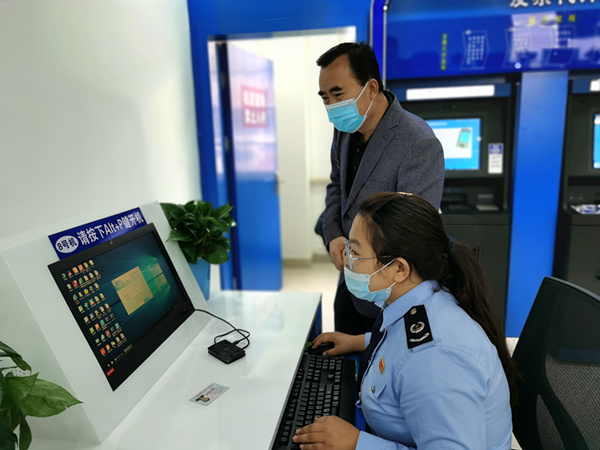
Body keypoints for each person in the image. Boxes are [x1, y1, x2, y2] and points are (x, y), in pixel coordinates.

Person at [295, 192, 518, 449]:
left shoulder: (436, 359)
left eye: (355, 252)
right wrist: (360, 341)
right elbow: (401, 343)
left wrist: (357, 443)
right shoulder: (421, 296)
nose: (346, 260)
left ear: (399, 269)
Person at [316, 42, 445, 335]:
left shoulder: (418, 142)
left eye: (338, 94)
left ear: (371, 88)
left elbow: (413, 232)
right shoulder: (345, 130)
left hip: (390, 295)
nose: (331, 106)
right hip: (349, 282)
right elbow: (337, 186)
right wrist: (333, 235)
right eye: (324, 97)